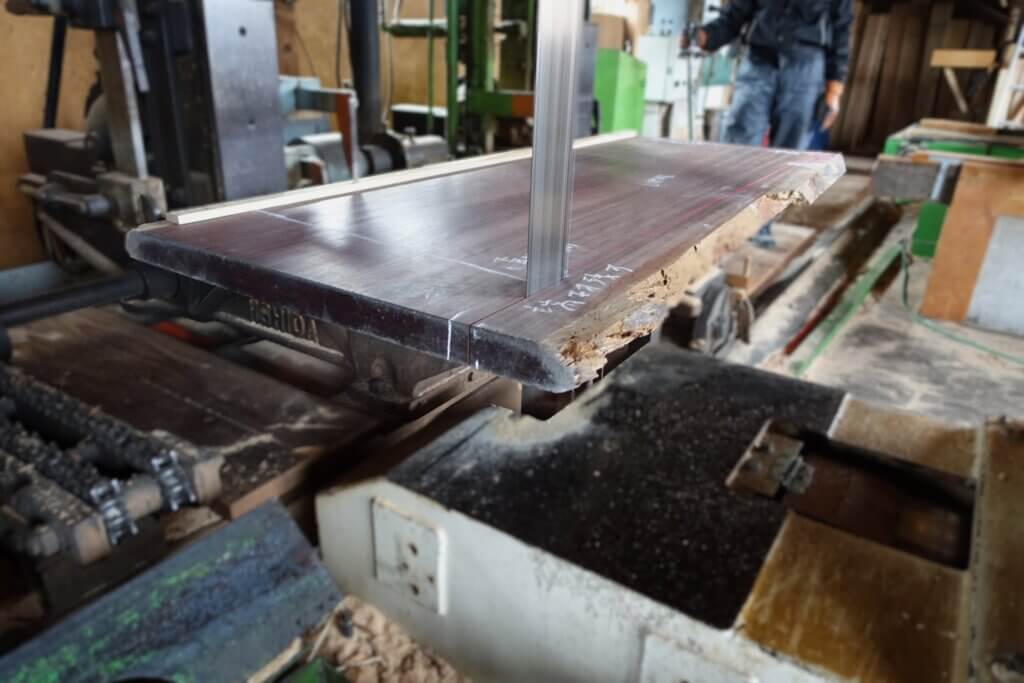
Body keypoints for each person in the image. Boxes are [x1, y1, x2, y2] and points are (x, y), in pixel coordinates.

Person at [685, 0, 853, 150]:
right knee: (740, 141)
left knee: (790, 150)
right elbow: (734, 16)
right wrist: (705, 36)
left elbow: (841, 30)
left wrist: (834, 90)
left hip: (805, 70)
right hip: (758, 62)